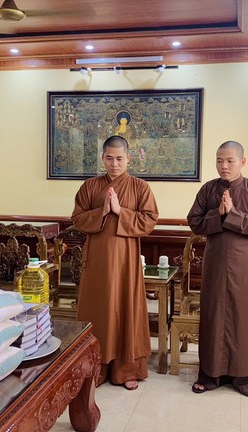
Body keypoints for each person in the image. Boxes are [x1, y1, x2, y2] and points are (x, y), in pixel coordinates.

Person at [71, 135, 159, 391]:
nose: (114, 163)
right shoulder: (89, 187)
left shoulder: (140, 187)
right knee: (98, 311)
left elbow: (150, 220)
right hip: (97, 262)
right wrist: (102, 211)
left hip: (126, 264)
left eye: (119, 158)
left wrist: (121, 211)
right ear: (102, 158)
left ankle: (127, 369)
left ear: (128, 158)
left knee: (126, 310)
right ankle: (95, 369)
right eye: (109, 158)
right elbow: (77, 218)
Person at [186, 140, 248, 398]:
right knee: (213, 314)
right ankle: (210, 374)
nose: (224, 166)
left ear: (242, 162)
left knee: (243, 316)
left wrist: (232, 214)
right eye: (219, 160)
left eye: (230, 161)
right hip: (215, 262)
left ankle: (246, 378)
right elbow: (194, 222)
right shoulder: (208, 189)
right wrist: (218, 214)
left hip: (244, 265)